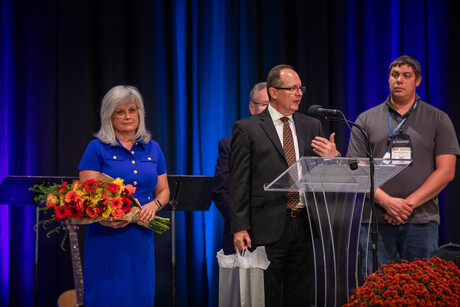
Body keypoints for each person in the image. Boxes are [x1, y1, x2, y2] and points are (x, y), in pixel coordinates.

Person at [230, 64, 339, 306]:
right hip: (265, 227)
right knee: (266, 297)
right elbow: (237, 183)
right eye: (292, 88)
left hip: (305, 225)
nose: (299, 93)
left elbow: (323, 177)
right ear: (273, 92)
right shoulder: (247, 129)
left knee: (300, 297)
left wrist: (333, 159)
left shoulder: (312, 126)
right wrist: (239, 227)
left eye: (301, 88)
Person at [346, 55, 460, 277]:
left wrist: (405, 205)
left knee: (420, 289)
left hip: (421, 222)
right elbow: (356, 170)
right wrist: (387, 202)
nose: (399, 80)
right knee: (375, 291)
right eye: (394, 75)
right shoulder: (366, 119)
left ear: (417, 80)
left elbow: (446, 171)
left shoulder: (438, 118)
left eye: (406, 76)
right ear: (388, 79)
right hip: (375, 222)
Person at [78, 85, 170, 306]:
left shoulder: (153, 148)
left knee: (140, 297)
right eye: (121, 112)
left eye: (132, 110)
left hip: (141, 237)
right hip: (106, 237)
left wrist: (155, 205)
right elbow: (86, 194)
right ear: (109, 116)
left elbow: (164, 190)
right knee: (106, 297)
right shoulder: (97, 148)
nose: (128, 116)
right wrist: (104, 218)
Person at [212, 82, 269, 255]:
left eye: (273, 106)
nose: (270, 111)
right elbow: (221, 191)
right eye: (265, 105)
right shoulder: (229, 144)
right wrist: (241, 223)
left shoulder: (289, 143)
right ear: (252, 107)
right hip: (245, 234)